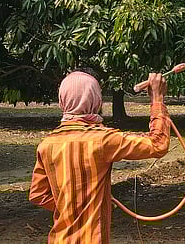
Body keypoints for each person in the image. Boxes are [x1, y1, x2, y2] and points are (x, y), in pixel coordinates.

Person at [29, 70, 170, 243]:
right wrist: (157, 98)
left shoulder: (46, 145)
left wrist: (71, 206)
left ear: (62, 101)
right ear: (96, 100)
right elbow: (158, 144)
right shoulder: (103, 140)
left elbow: (38, 195)